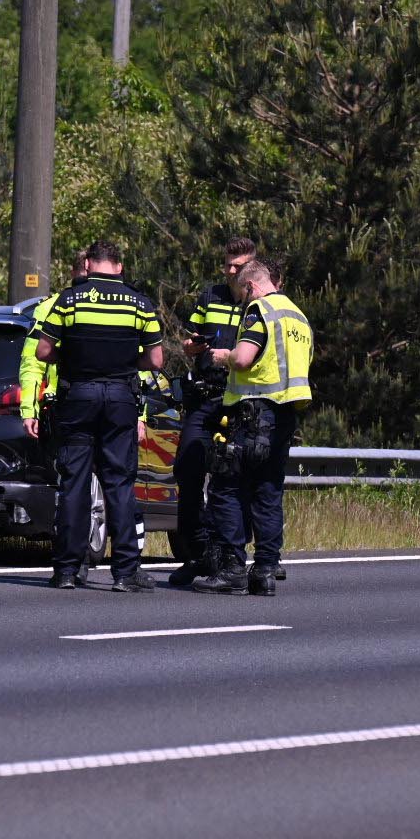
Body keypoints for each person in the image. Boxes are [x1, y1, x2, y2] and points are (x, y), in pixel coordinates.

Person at [34, 240, 164, 592]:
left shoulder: (70, 300)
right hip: (121, 398)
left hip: (77, 396)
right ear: (120, 267)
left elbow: (44, 351)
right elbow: (155, 361)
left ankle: (67, 570)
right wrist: (124, 363)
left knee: (74, 482)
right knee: (119, 483)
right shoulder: (140, 303)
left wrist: (73, 358)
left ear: (89, 264)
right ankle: (124, 572)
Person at [193, 258, 313, 597]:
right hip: (284, 417)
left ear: (250, 286)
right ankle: (264, 571)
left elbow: (245, 358)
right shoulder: (298, 317)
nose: (242, 299)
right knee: (269, 491)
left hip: (253, 412)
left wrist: (221, 357)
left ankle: (232, 567)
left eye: (241, 293)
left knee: (228, 487)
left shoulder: (259, 311)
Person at [168, 236, 257, 586]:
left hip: (239, 402)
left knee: (232, 481)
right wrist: (193, 346)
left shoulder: (260, 304)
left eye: (238, 266)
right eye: (227, 264)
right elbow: (188, 345)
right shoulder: (210, 296)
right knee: (189, 471)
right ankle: (198, 554)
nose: (230, 271)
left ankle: (230, 557)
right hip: (204, 399)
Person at [20, 250, 90, 433]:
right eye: (81, 281)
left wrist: (139, 415)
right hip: (62, 406)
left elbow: (136, 369)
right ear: (73, 274)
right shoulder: (48, 308)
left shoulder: (118, 307)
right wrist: (30, 410)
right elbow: (32, 363)